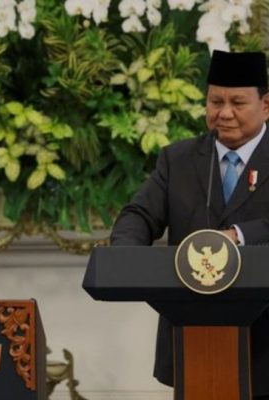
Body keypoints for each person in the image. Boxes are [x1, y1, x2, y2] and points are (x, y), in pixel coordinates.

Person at [110, 50, 269, 398]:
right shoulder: (178, 159)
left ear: (266, 105)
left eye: (237, 103)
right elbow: (139, 214)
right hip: (191, 342)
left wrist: (240, 235)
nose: (224, 113)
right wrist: (124, 256)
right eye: (215, 102)